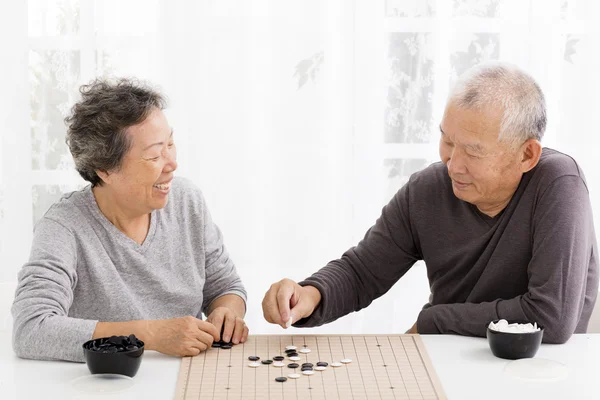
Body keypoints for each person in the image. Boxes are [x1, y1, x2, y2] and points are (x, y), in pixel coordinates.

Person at [262, 62, 598, 344]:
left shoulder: (558, 184)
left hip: (542, 372)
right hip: (447, 360)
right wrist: (309, 295)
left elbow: (549, 318)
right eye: (447, 141)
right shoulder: (427, 189)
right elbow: (363, 272)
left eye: (474, 150)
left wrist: (435, 321)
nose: (453, 165)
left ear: (527, 155)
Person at [12, 78, 248, 362]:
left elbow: (226, 288)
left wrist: (227, 312)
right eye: (153, 156)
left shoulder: (187, 201)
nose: (172, 164)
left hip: (187, 376)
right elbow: (31, 329)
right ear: (105, 170)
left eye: (170, 144)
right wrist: (150, 336)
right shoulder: (64, 226)